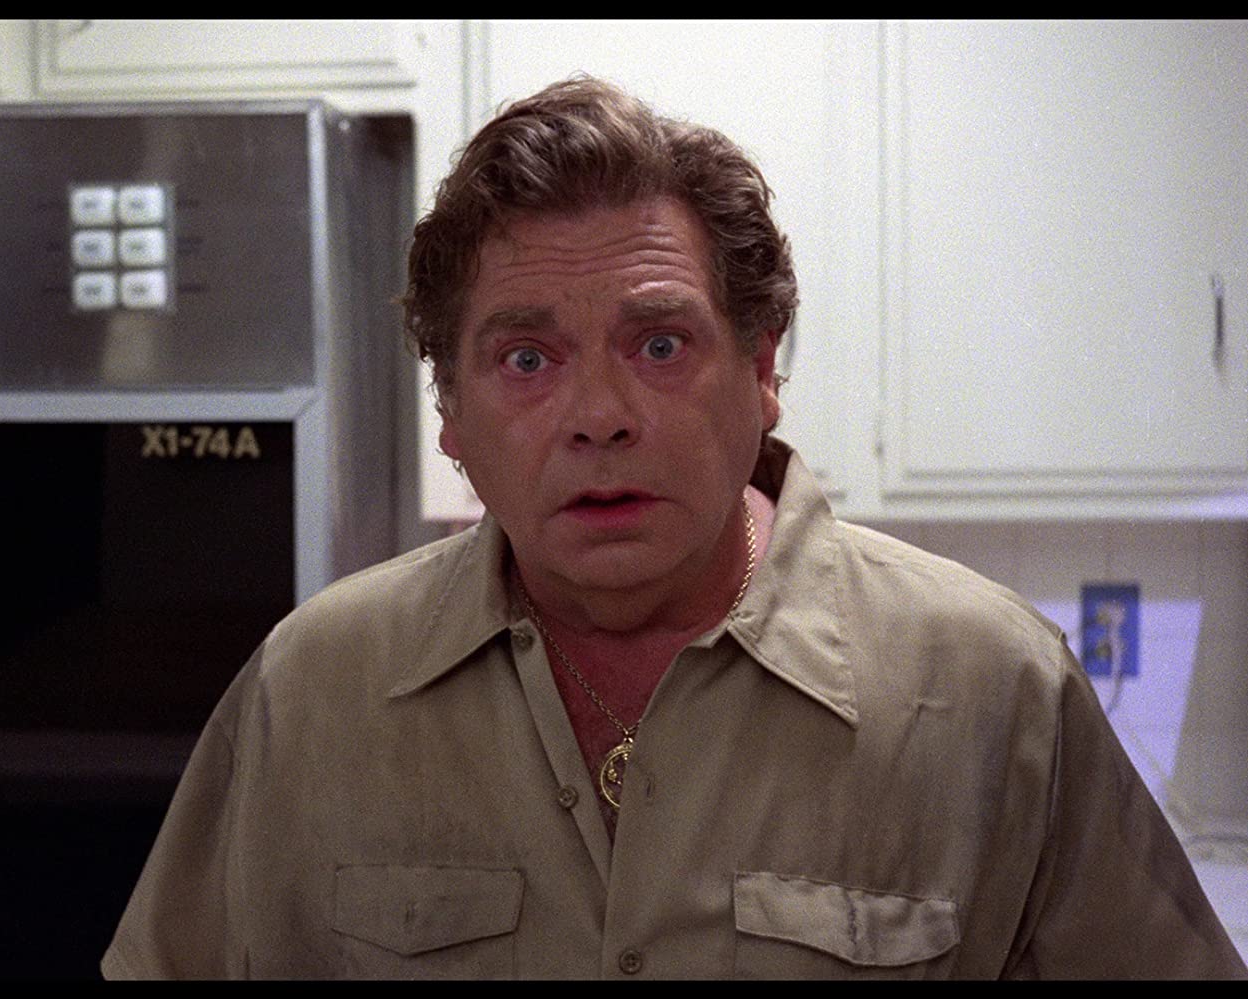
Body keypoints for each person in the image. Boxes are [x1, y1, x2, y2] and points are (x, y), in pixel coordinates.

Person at [100, 76, 1247, 979]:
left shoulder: (993, 688)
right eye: (526, 358)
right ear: (449, 413)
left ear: (760, 371)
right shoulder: (315, 689)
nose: (598, 415)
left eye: (658, 343)